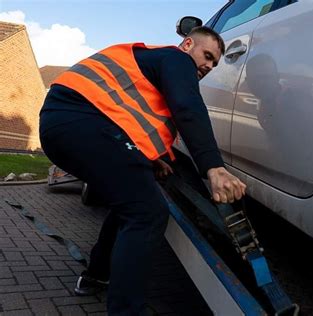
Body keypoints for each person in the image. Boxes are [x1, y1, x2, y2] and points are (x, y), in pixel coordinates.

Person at [39, 26, 246, 315]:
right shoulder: (176, 59)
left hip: (67, 125)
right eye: (207, 55)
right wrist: (214, 167)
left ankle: (96, 274)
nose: (208, 66)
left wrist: (150, 161)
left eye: (214, 64)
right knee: (147, 214)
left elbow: (125, 116)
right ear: (187, 44)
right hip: (82, 120)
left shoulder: (152, 67)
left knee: (132, 202)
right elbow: (188, 107)